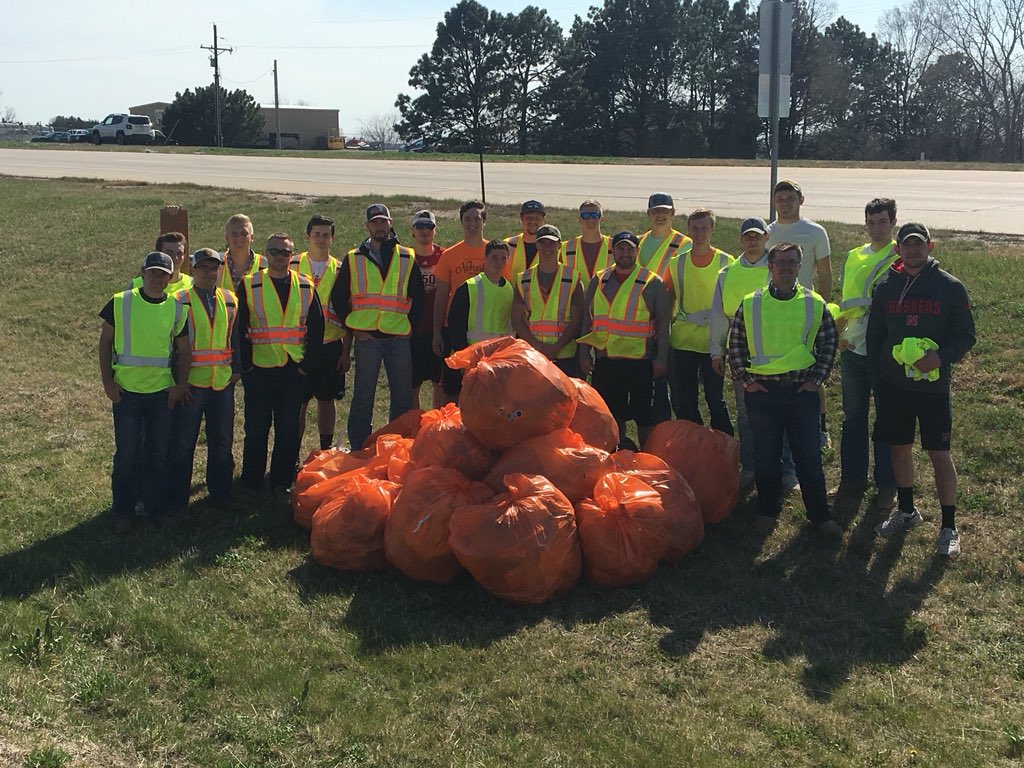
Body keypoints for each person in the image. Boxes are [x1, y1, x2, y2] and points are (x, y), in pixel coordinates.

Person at [867, 222, 976, 558]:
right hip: (894, 386)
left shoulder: (950, 287)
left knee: (938, 453)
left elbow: (966, 336)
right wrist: (878, 378)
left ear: (931, 246)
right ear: (897, 249)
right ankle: (907, 510)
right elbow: (875, 336)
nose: (913, 250)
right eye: (906, 244)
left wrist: (940, 358)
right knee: (899, 447)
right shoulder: (885, 285)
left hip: (932, 388)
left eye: (919, 244)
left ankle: (948, 526)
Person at [727, 242, 842, 540]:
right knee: (766, 455)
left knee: (808, 456)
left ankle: (819, 515)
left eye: (793, 262)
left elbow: (829, 342)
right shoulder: (751, 303)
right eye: (781, 262)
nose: (787, 267)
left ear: (800, 266)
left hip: (801, 393)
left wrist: (815, 381)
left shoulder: (813, 303)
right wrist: (745, 380)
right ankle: (767, 510)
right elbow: (736, 343)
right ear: (770, 266)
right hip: (762, 392)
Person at [99, 251, 192, 533]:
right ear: (142, 272)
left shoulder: (176, 308)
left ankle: (156, 509)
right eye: (151, 272)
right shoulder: (121, 301)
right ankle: (123, 512)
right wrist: (108, 383)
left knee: (157, 453)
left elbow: (185, 350)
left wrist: (180, 385)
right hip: (126, 393)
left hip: (161, 394)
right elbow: (104, 343)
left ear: (169, 278)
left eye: (162, 274)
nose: (156, 278)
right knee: (127, 455)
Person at [710, 218, 795, 488]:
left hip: (779, 353)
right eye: (747, 236)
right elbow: (719, 315)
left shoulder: (779, 268)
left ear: (766, 237)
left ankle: (787, 471)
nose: (752, 240)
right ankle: (750, 467)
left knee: (783, 413)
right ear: (740, 240)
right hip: (741, 354)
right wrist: (716, 351)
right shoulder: (727, 273)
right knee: (746, 413)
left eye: (757, 236)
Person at [332, 204, 424, 450]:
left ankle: (397, 447)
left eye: (383, 222)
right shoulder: (353, 258)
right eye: (375, 222)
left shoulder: (407, 256)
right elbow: (339, 298)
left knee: (402, 398)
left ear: (390, 223)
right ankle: (360, 447)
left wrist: (410, 328)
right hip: (368, 340)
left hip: (398, 339)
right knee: (363, 397)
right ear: (367, 226)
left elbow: (418, 296)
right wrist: (355, 330)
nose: (380, 226)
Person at [238, 232, 323, 492]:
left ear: (292, 255)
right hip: (259, 370)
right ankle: (252, 482)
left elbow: (317, 328)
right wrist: (246, 367)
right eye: (274, 252)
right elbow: (238, 328)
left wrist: (306, 366)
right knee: (256, 429)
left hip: (292, 370)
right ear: (266, 253)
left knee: (287, 430)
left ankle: (281, 481)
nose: (279, 257)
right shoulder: (250, 284)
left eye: (285, 252)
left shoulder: (306, 285)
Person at [832, 198, 900, 508]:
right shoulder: (853, 256)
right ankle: (852, 479)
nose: (876, 228)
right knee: (853, 416)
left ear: (893, 223)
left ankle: (887, 484)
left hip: (884, 349)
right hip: (853, 347)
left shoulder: (899, 255)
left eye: (882, 222)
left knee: (886, 418)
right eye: (871, 222)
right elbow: (847, 301)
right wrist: (841, 334)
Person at [578, 231, 670, 449]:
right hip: (606, 360)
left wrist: (661, 359)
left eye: (630, 249)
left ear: (637, 251)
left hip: (640, 361)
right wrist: (584, 353)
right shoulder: (599, 280)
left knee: (644, 416)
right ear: (613, 251)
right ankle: (614, 455)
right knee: (610, 414)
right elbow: (587, 319)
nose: (625, 253)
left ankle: (646, 458)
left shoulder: (651, 282)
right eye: (621, 248)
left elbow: (663, 324)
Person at [167, 249, 241, 514]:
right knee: (183, 444)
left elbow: (236, 338)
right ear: (193, 270)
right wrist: (178, 383)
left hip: (221, 383)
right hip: (191, 384)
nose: (210, 273)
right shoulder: (178, 300)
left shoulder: (230, 300)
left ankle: (220, 494)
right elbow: (170, 346)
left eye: (214, 268)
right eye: (204, 268)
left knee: (222, 442)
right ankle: (176, 501)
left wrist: (237, 370)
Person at [767, 179, 833, 449]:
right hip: (774, 311)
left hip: (807, 310)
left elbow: (826, 273)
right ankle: (782, 427)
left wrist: (823, 309)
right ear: (774, 202)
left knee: (812, 369)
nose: (785, 202)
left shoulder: (815, 232)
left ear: (801, 200)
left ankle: (820, 427)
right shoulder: (765, 232)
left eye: (790, 198)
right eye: (780, 198)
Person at [666, 208, 735, 433]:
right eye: (695, 228)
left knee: (715, 398)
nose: (699, 233)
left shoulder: (727, 262)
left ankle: (724, 445)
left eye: (704, 228)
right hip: (683, 341)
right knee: (686, 400)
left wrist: (727, 343)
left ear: (713, 229)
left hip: (713, 341)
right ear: (688, 230)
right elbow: (669, 300)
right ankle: (693, 444)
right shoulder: (677, 263)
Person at [290, 214, 346, 451]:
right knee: (298, 402)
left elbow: (349, 311)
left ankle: (325, 449)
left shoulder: (341, 269)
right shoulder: (292, 264)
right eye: (316, 235)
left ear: (332, 239)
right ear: (308, 236)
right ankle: (293, 450)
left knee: (326, 400)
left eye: (326, 235)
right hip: (299, 345)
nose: (321, 239)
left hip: (330, 344)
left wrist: (347, 350)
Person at [638, 193, 692, 423]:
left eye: (665, 211)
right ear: (648, 213)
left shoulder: (684, 243)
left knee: (676, 383)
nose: (660, 215)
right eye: (656, 211)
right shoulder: (638, 241)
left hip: (671, 320)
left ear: (673, 213)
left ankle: (682, 430)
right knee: (652, 384)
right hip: (640, 321)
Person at [432, 201, 487, 403]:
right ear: (461, 222)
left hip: (484, 331)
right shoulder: (450, 256)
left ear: (484, 222)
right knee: (452, 387)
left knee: (484, 386)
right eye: (467, 219)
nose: (472, 223)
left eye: (477, 219)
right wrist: (437, 333)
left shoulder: (495, 254)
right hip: (455, 329)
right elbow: (440, 297)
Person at [444, 240, 514, 400]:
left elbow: (510, 328)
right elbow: (455, 327)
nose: (499, 262)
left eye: (503, 258)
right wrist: (464, 360)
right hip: (469, 361)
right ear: (486, 258)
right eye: (494, 257)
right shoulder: (469, 287)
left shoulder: (509, 290)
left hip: (497, 362)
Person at [512, 224, 585, 378]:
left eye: (552, 243)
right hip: (534, 354)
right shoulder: (524, 279)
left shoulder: (573, 278)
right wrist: (537, 346)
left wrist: (556, 347)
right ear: (536, 244)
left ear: (559, 245)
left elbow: (577, 320)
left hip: (565, 355)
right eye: (543, 242)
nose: (547, 247)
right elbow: (517, 320)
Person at [409, 209, 445, 409]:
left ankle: (436, 426)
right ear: (412, 231)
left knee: (439, 382)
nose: (425, 231)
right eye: (420, 227)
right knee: (413, 384)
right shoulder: (405, 257)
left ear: (435, 231)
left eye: (429, 227)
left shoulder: (444, 256)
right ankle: (415, 428)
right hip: (412, 330)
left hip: (437, 328)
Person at [561, 200, 612, 286]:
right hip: (576, 298)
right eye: (586, 216)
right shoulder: (566, 247)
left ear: (601, 218)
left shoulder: (614, 246)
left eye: (595, 215)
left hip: (605, 299)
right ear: (579, 219)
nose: (590, 219)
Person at [221, 213, 266, 292]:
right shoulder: (217, 264)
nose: (239, 237)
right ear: (226, 238)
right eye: (234, 234)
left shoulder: (265, 265)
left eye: (244, 233)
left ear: (252, 237)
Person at [503, 199, 546, 282]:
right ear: (521, 219)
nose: (533, 221)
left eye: (537, 218)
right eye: (529, 218)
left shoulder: (552, 247)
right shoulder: (508, 245)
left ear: (543, 220)